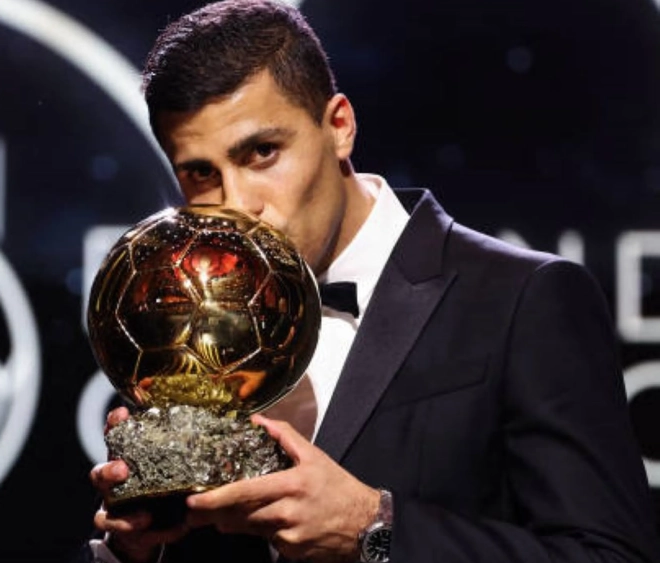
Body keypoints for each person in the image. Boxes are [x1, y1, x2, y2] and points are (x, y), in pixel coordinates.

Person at [78, 1, 660, 562]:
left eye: (262, 152)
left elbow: (609, 554)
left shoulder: (525, 300)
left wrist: (373, 531)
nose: (237, 206)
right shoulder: (182, 331)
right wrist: (135, 551)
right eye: (201, 174)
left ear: (339, 127)